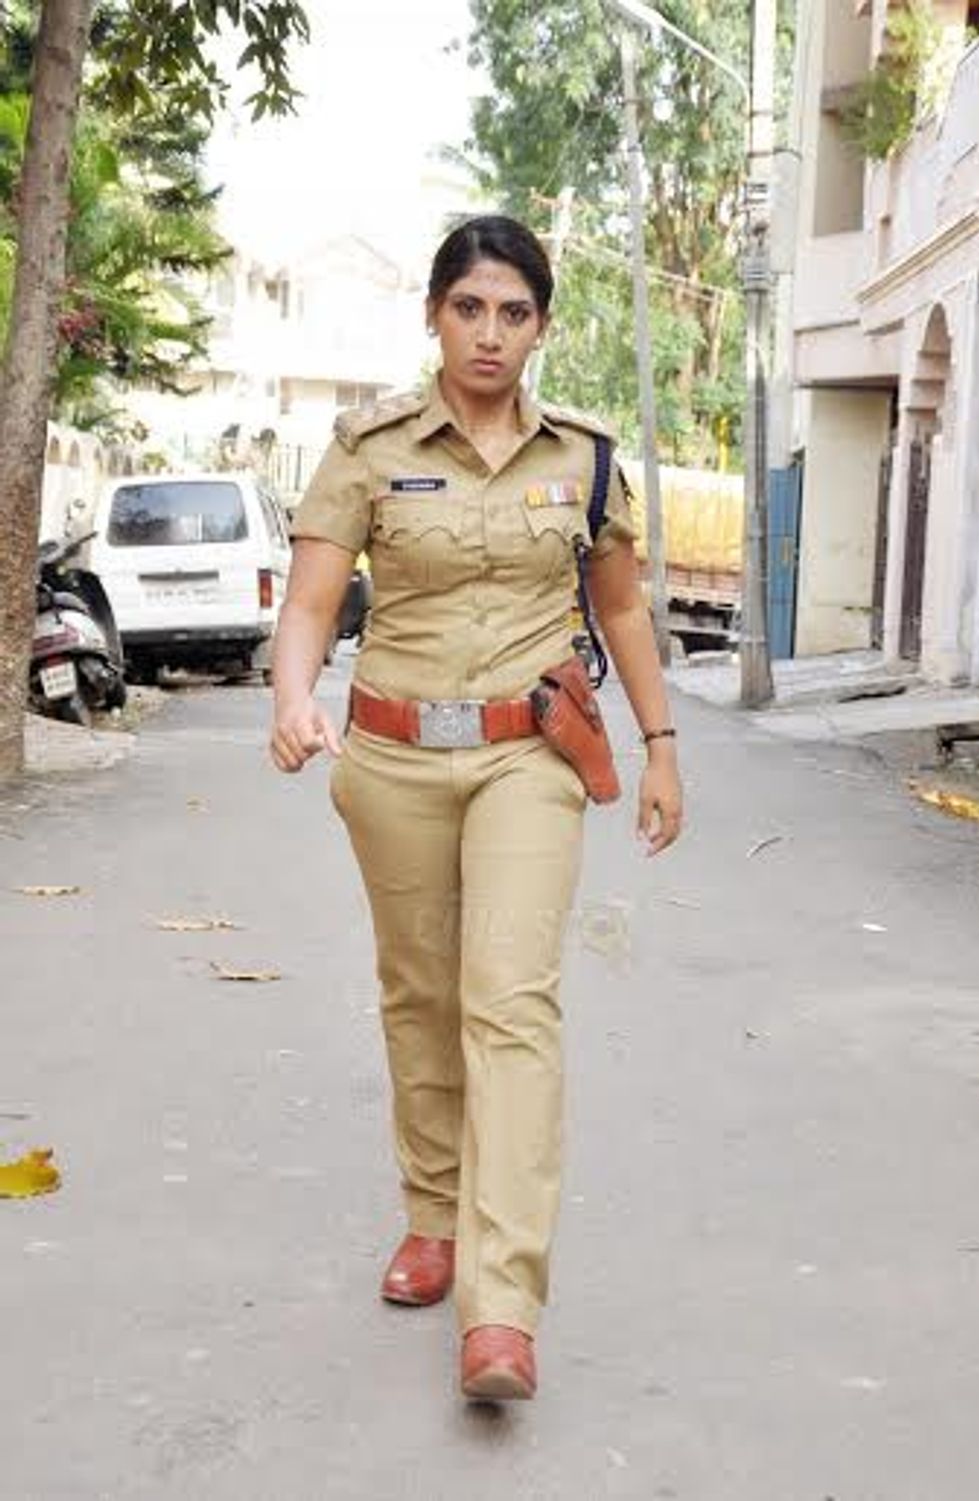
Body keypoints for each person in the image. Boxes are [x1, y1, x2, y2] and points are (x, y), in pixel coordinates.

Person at [269, 215, 682, 1402]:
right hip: (393, 760)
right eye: (469, 308)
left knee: (509, 1003)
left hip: (527, 757)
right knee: (421, 995)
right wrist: (293, 697)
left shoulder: (583, 460)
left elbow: (622, 610)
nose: (489, 333)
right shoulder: (368, 449)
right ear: (434, 316)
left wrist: (659, 746)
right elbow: (311, 605)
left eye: (513, 312)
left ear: (540, 326)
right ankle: (433, 1214)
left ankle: (500, 1307)